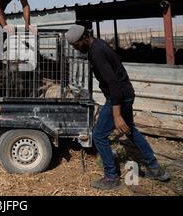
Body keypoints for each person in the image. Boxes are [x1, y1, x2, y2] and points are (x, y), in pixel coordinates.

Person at [65, 24, 170, 190]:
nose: (76, 49)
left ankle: (111, 177)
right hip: (125, 94)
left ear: (84, 38)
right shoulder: (98, 44)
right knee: (129, 130)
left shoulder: (97, 52)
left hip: (119, 96)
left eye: (76, 45)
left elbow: (113, 84)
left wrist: (116, 115)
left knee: (99, 135)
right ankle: (155, 169)